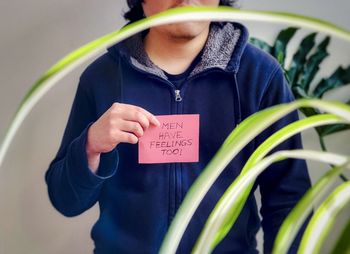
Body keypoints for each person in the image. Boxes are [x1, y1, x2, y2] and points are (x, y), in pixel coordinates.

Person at [45, 0, 312, 253]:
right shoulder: (101, 78)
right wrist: (90, 146)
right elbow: (65, 200)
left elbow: (289, 199)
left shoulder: (260, 77)